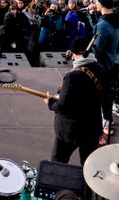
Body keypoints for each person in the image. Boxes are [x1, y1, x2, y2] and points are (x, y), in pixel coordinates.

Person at [45, 37, 112, 165]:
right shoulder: (100, 69)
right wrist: (107, 118)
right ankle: (87, 186)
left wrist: (51, 102)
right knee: (89, 167)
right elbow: (108, 96)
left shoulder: (72, 76)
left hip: (70, 130)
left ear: (75, 54)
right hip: (92, 128)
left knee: (58, 162)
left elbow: (63, 106)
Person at [90, 0, 119, 135]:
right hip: (112, 60)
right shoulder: (116, 18)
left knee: (100, 94)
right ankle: (108, 120)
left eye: (96, 1)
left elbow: (97, 48)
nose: (94, 3)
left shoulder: (103, 25)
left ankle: (104, 122)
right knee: (107, 93)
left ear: (101, 3)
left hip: (102, 64)